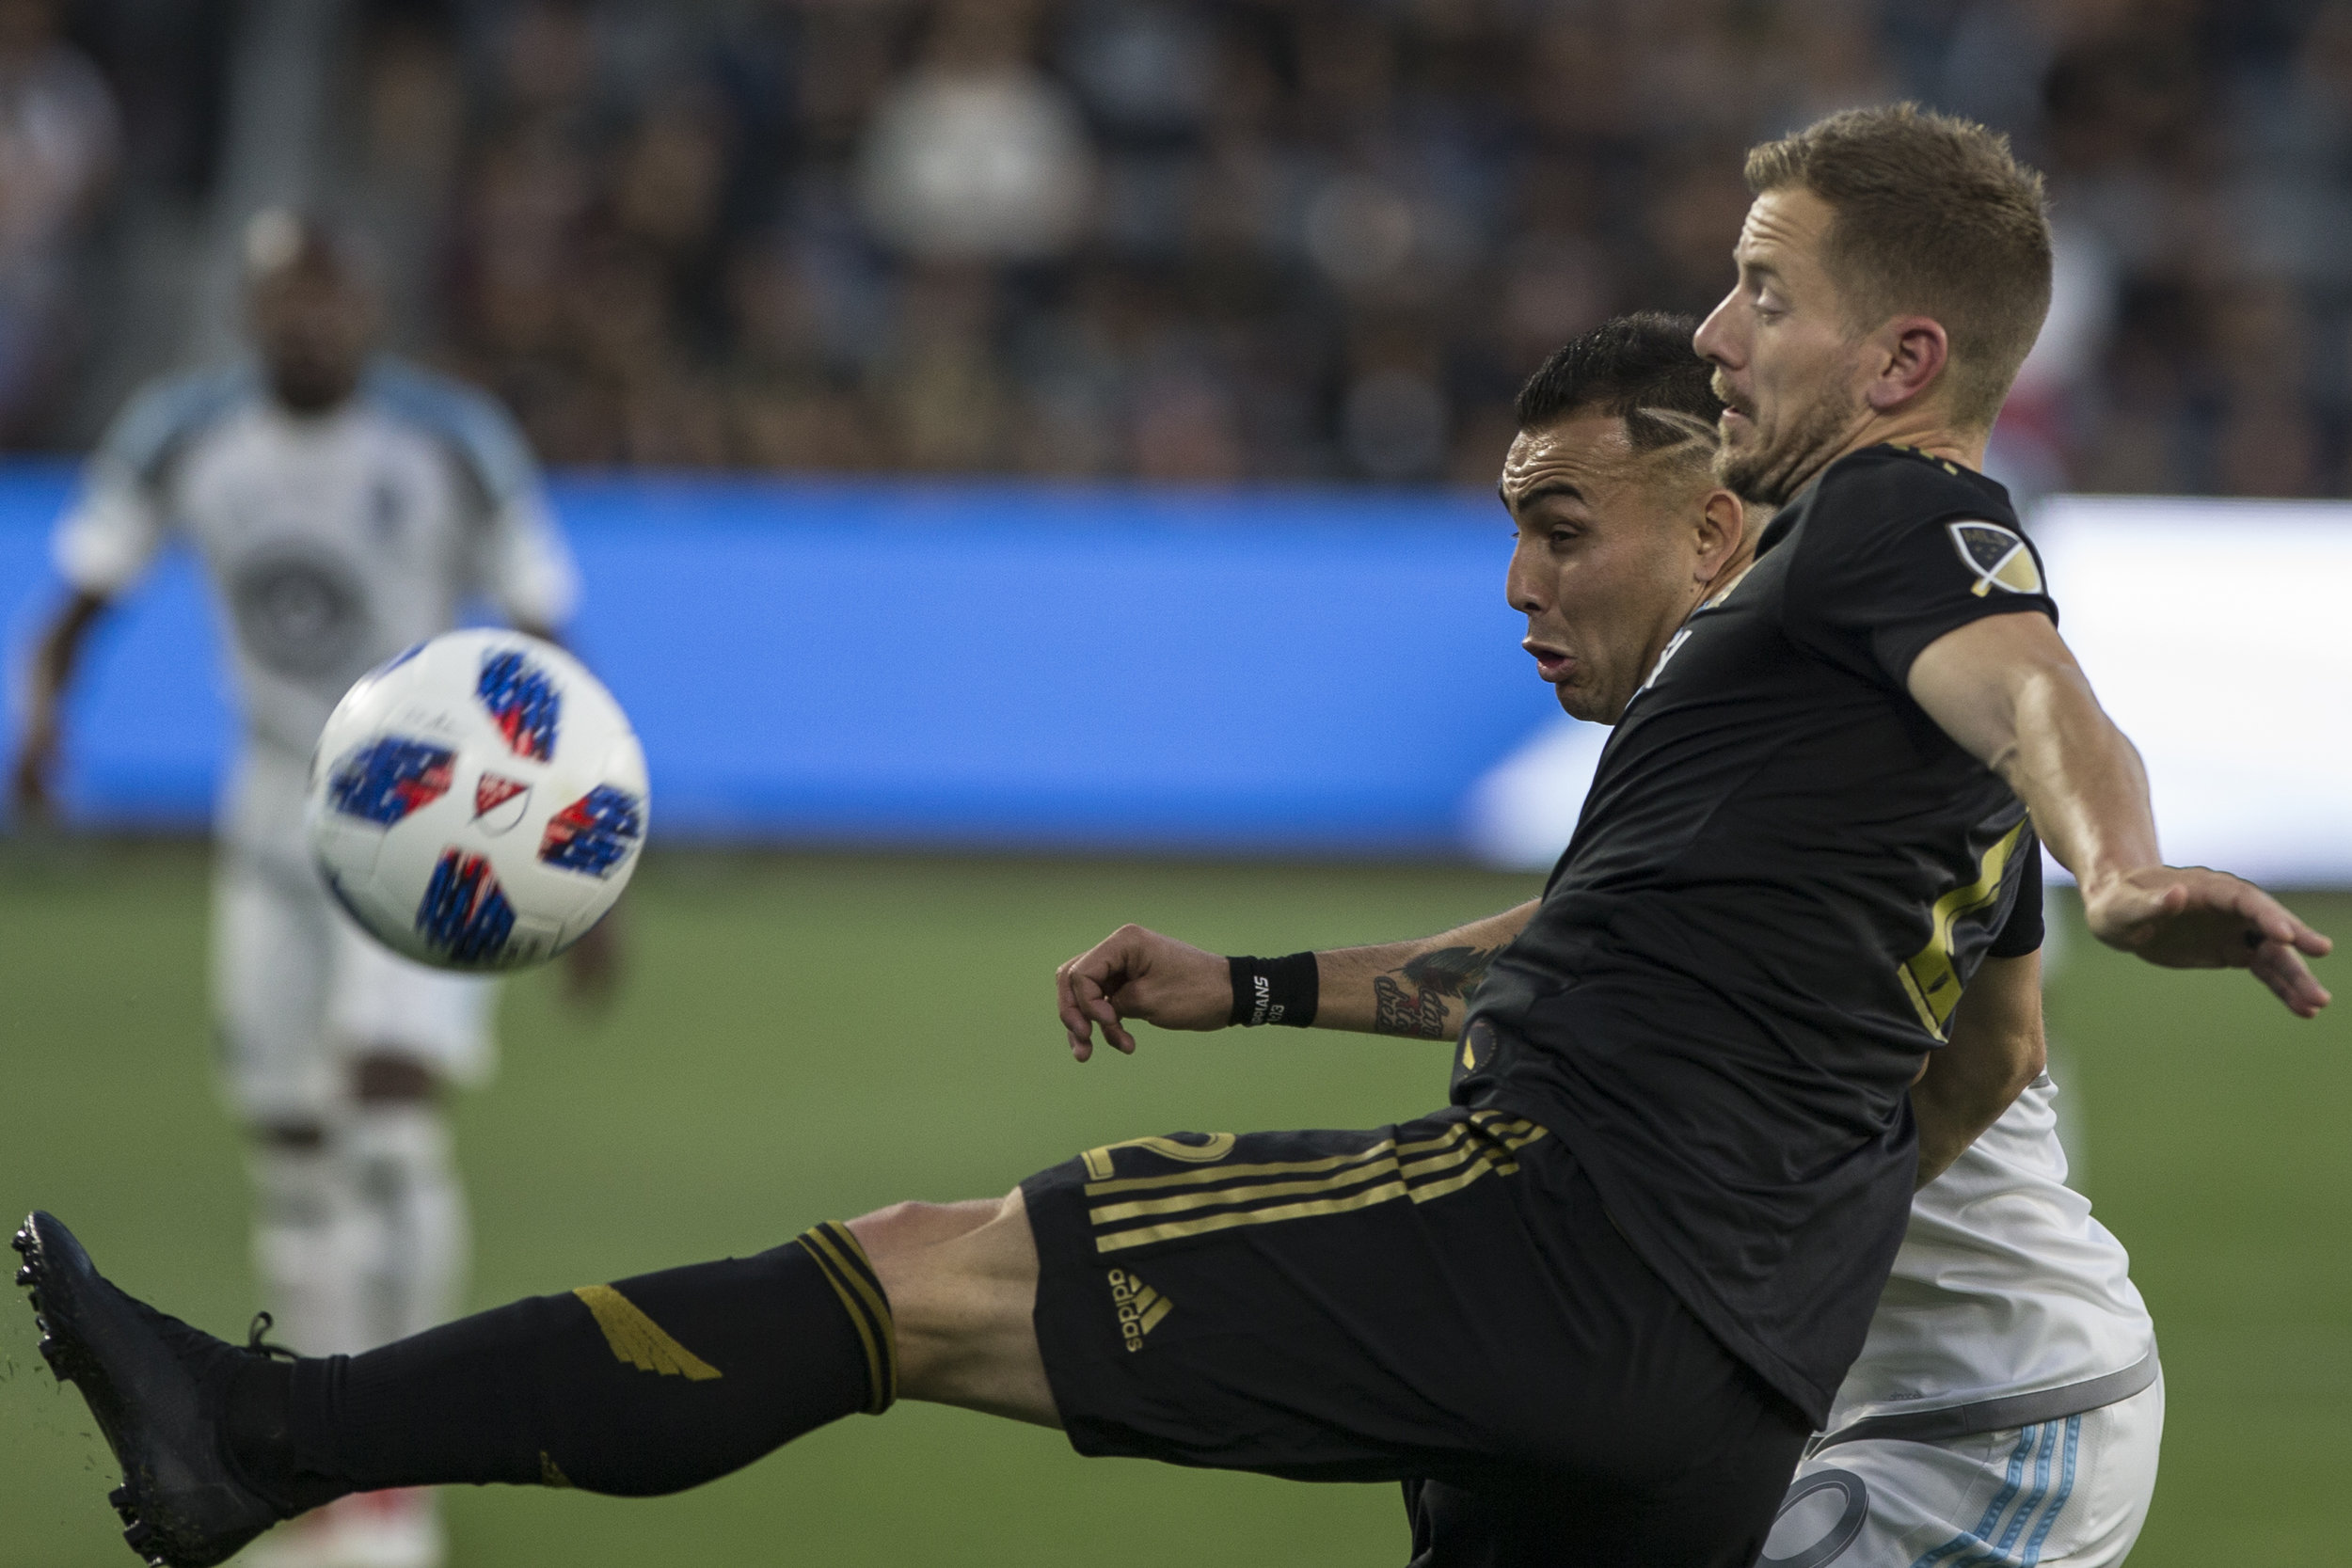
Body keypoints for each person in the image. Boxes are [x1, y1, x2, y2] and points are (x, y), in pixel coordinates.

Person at [11, 107, 2328, 1568]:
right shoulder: (1819, 699)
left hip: (1610, 1276)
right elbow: (1928, 1024)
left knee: (905, 1281)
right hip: (1719, 1395)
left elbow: (2037, 703)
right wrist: (1270, 990)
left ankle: (266, 1432)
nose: (1723, 319)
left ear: (1898, 365)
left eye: (1763, 283)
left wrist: (2122, 869)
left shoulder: (1885, 530)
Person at [1059, 317, 2162, 1568]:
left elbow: (1999, 1053)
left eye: (1567, 536)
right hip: (1830, 1395)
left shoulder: (1830, 732)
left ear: (1712, 534)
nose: (1522, 585)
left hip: (1975, 1413)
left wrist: (1761, 1247)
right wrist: (1252, 986)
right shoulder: (1734, 740)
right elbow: (1564, 959)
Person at [9, 210, 596, 1568]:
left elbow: (545, 629)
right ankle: (308, 1460)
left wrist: (577, 854)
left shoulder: (452, 437)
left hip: (434, 821)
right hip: (274, 813)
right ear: (250, 308)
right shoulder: (184, 431)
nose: (309, 322)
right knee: (290, 1152)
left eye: (330, 298)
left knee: (388, 1131)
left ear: (371, 308)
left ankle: (395, 1470)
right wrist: (41, 715)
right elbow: (85, 589)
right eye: (286, 299)